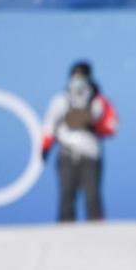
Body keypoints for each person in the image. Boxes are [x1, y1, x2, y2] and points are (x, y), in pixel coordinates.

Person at [41, 61, 112, 222]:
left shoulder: (98, 101)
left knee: (93, 199)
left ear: (88, 78)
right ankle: (65, 240)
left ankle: (100, 239)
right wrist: (45, 147)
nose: (77, 80)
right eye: (75, 76)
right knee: (66, 199)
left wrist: (87, 106)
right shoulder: (60, 100)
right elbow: (48, 125)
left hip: (91, 157)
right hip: (67, 156)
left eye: (82, 76)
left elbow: (102, 122)